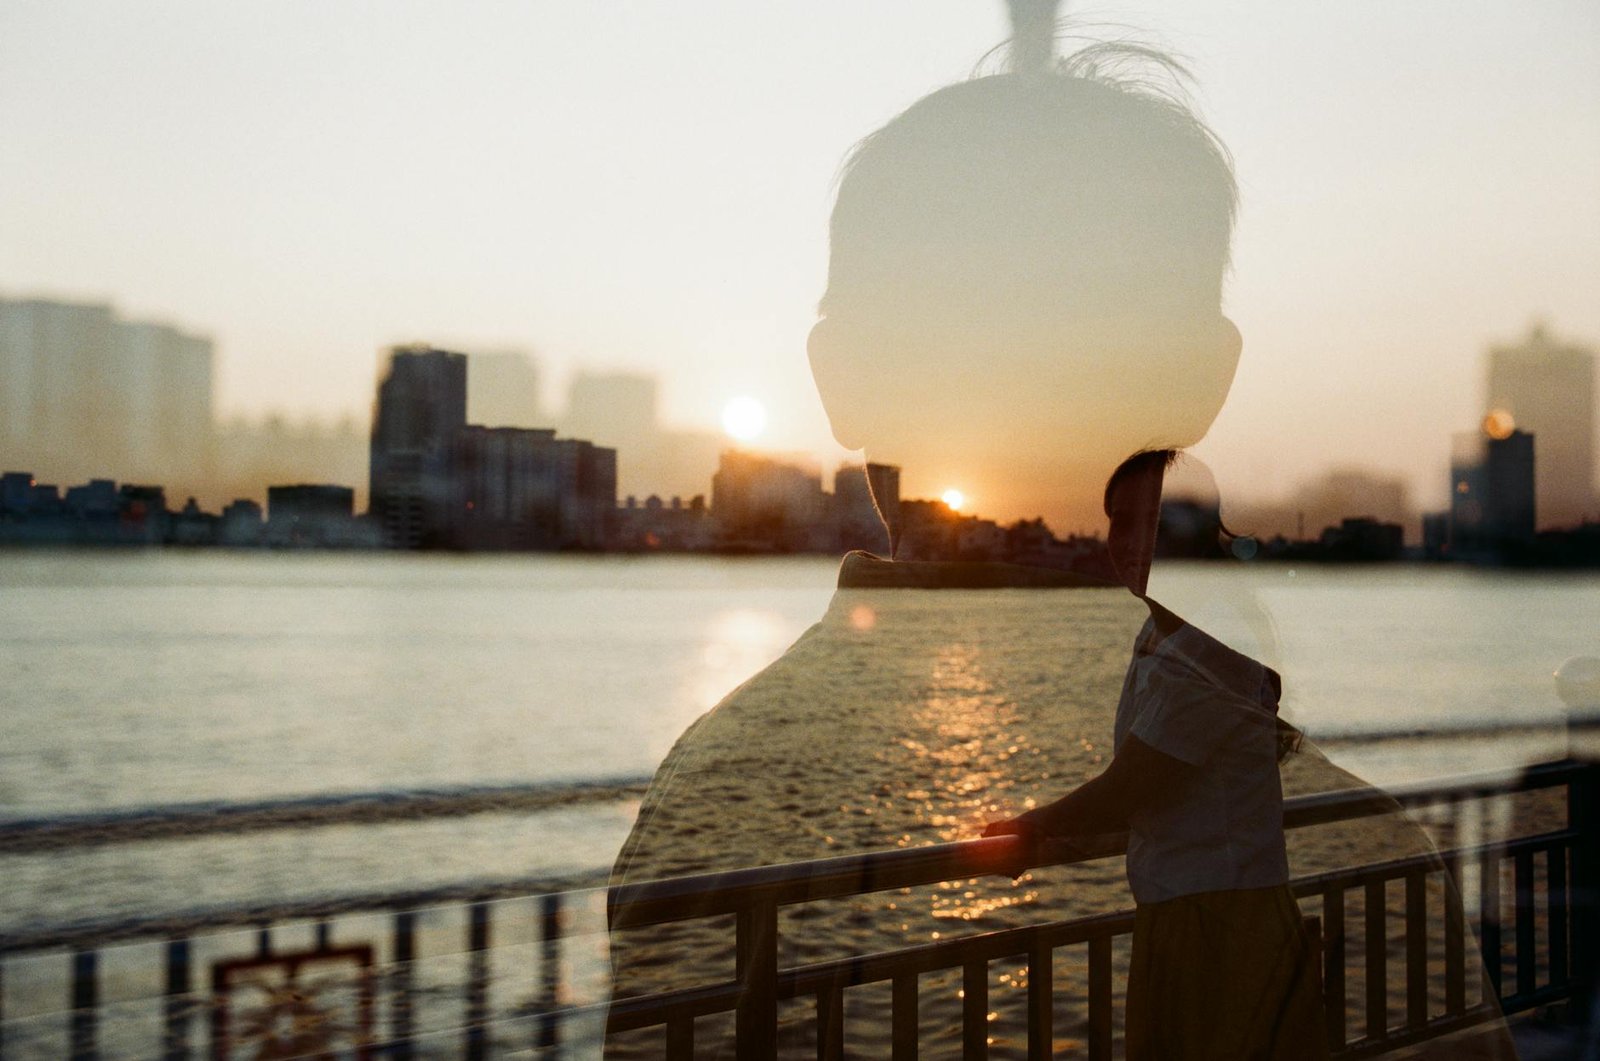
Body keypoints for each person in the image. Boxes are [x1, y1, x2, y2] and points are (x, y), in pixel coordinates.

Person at [983, 447, 1327, 1059]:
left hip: (1222, 924)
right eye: (1120, 520)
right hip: (1185, 914)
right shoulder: (1163, 629)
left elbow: (1134, 784)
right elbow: (1155, 789)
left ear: (1201, 531)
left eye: (1158, 524)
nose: (1132, 540)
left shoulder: (1212, 642)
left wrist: (1028, 827)